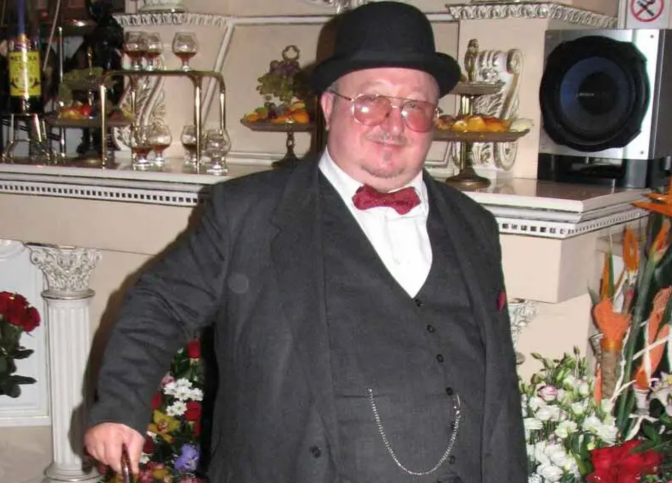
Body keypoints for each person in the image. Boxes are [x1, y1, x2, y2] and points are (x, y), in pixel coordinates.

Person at [84, 2, 527, 483]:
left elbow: (500, 389)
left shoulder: (474, 225)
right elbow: (161, 304)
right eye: (371, 101)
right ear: (329, 107)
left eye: (414, 107)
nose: (393, 123)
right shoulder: (248, 213)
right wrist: (120, 408)